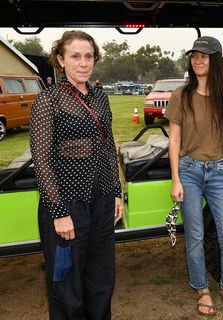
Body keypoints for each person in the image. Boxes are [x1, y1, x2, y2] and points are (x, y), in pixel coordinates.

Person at [30, 30, 123, 319]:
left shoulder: (100, 98)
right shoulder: (49, 100)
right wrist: (58, 212)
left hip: (103, 200)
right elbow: (41, 159)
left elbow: (109, 149)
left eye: (88, 56)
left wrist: (117, 193)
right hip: (67, 204)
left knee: (101, 280)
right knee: (66, 286)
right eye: (75, 56)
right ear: (61, 60)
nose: (83, 63)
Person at [165, 36, 223, 316]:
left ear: (215, 61)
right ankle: (201, 289)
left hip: (220, 172)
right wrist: (175, 179)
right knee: (195, 235)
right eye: (195, 56)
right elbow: (173, 140)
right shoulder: (181, 95)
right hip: (189, 171)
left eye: (205, 56)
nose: (198, 60)